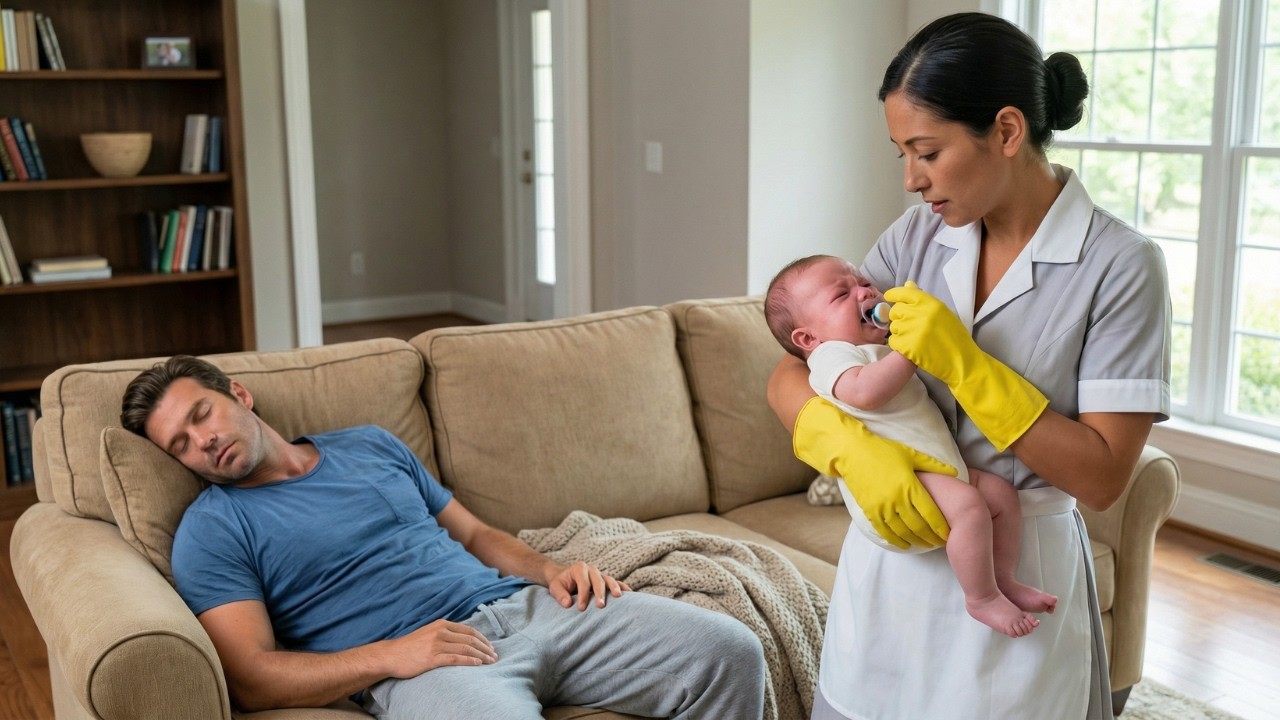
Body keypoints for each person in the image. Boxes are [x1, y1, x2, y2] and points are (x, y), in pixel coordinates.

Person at [766, 12, 1169, 720]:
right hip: (889, 569)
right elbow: (791, 370)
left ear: (1007, 132)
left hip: (1017, 569)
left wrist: (969, 369)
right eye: (902, 155)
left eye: (927, 151)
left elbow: (1104, 477)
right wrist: (850, 452)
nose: (913, 181)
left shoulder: (1120, 266)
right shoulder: (917, 236)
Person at [121, 355, 767, 719]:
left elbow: (477, 534)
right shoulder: (211, 531)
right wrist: (391, 656)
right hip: (426, 663)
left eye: (201, 414)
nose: (201, 440)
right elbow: (252, 679)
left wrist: (551, 571)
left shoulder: (369, 444)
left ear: (239, 394)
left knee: (730, 651)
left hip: (526, 606)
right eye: (180, 444)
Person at [765, 254, 1056, 638]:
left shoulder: (874, 346)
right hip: (903, 479)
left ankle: (1004, 578)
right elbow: (864, 392)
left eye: (863, 281)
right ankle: (981, 597)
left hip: (937, 466)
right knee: (970, 508)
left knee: (1001, 496)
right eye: (841, 294)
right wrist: (909, 352)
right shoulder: (830, 355)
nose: (864, 290)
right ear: (807, 338)